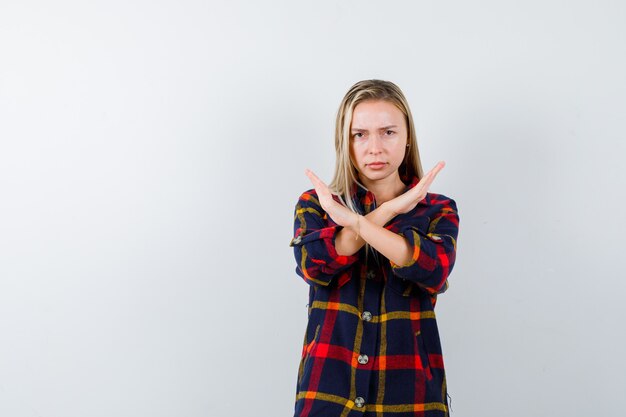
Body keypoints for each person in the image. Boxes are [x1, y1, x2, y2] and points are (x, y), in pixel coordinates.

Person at [289, 79, 460, 417]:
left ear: (408, 137)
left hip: (411, 398)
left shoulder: (437, 210)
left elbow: (433, 269)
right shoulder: (318, 205)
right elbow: (315, 265)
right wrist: (388, 212)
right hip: (328, 394)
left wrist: (356, 222)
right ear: (345, 141)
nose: (375, 148)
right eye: (360, 134)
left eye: (388, 132)